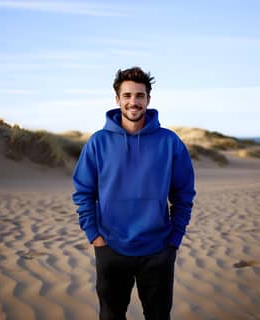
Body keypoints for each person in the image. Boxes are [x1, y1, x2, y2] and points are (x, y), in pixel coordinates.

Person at [72, 66, 196, 320]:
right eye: (127, 96)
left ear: (148, 99)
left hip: (158, 249)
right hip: (110, 247)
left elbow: (183, 194)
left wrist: (174, 239)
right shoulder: (98, 142)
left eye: (139, 96)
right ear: (117, 99)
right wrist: (94, 236)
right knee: (111, 316)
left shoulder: (169, 142)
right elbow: (83, 192)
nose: (133, 102)